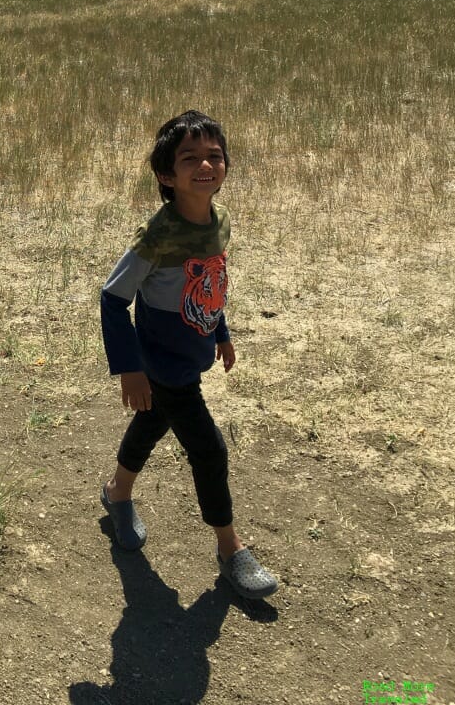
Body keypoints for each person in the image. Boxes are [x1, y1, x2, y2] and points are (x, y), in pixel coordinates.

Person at [99, 109, 278, 602]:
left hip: (192, 349)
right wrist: (130, 368)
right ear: (166, 174)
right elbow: (113, 298)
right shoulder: (157, 235)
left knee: (152, 420)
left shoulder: (218, 220)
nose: (205, 165)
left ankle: (117, 492)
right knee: (209, 449)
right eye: (190, 158)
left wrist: (220, 331)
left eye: (214, 156)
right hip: (162, 360)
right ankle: (230, 549)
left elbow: (211, 283)